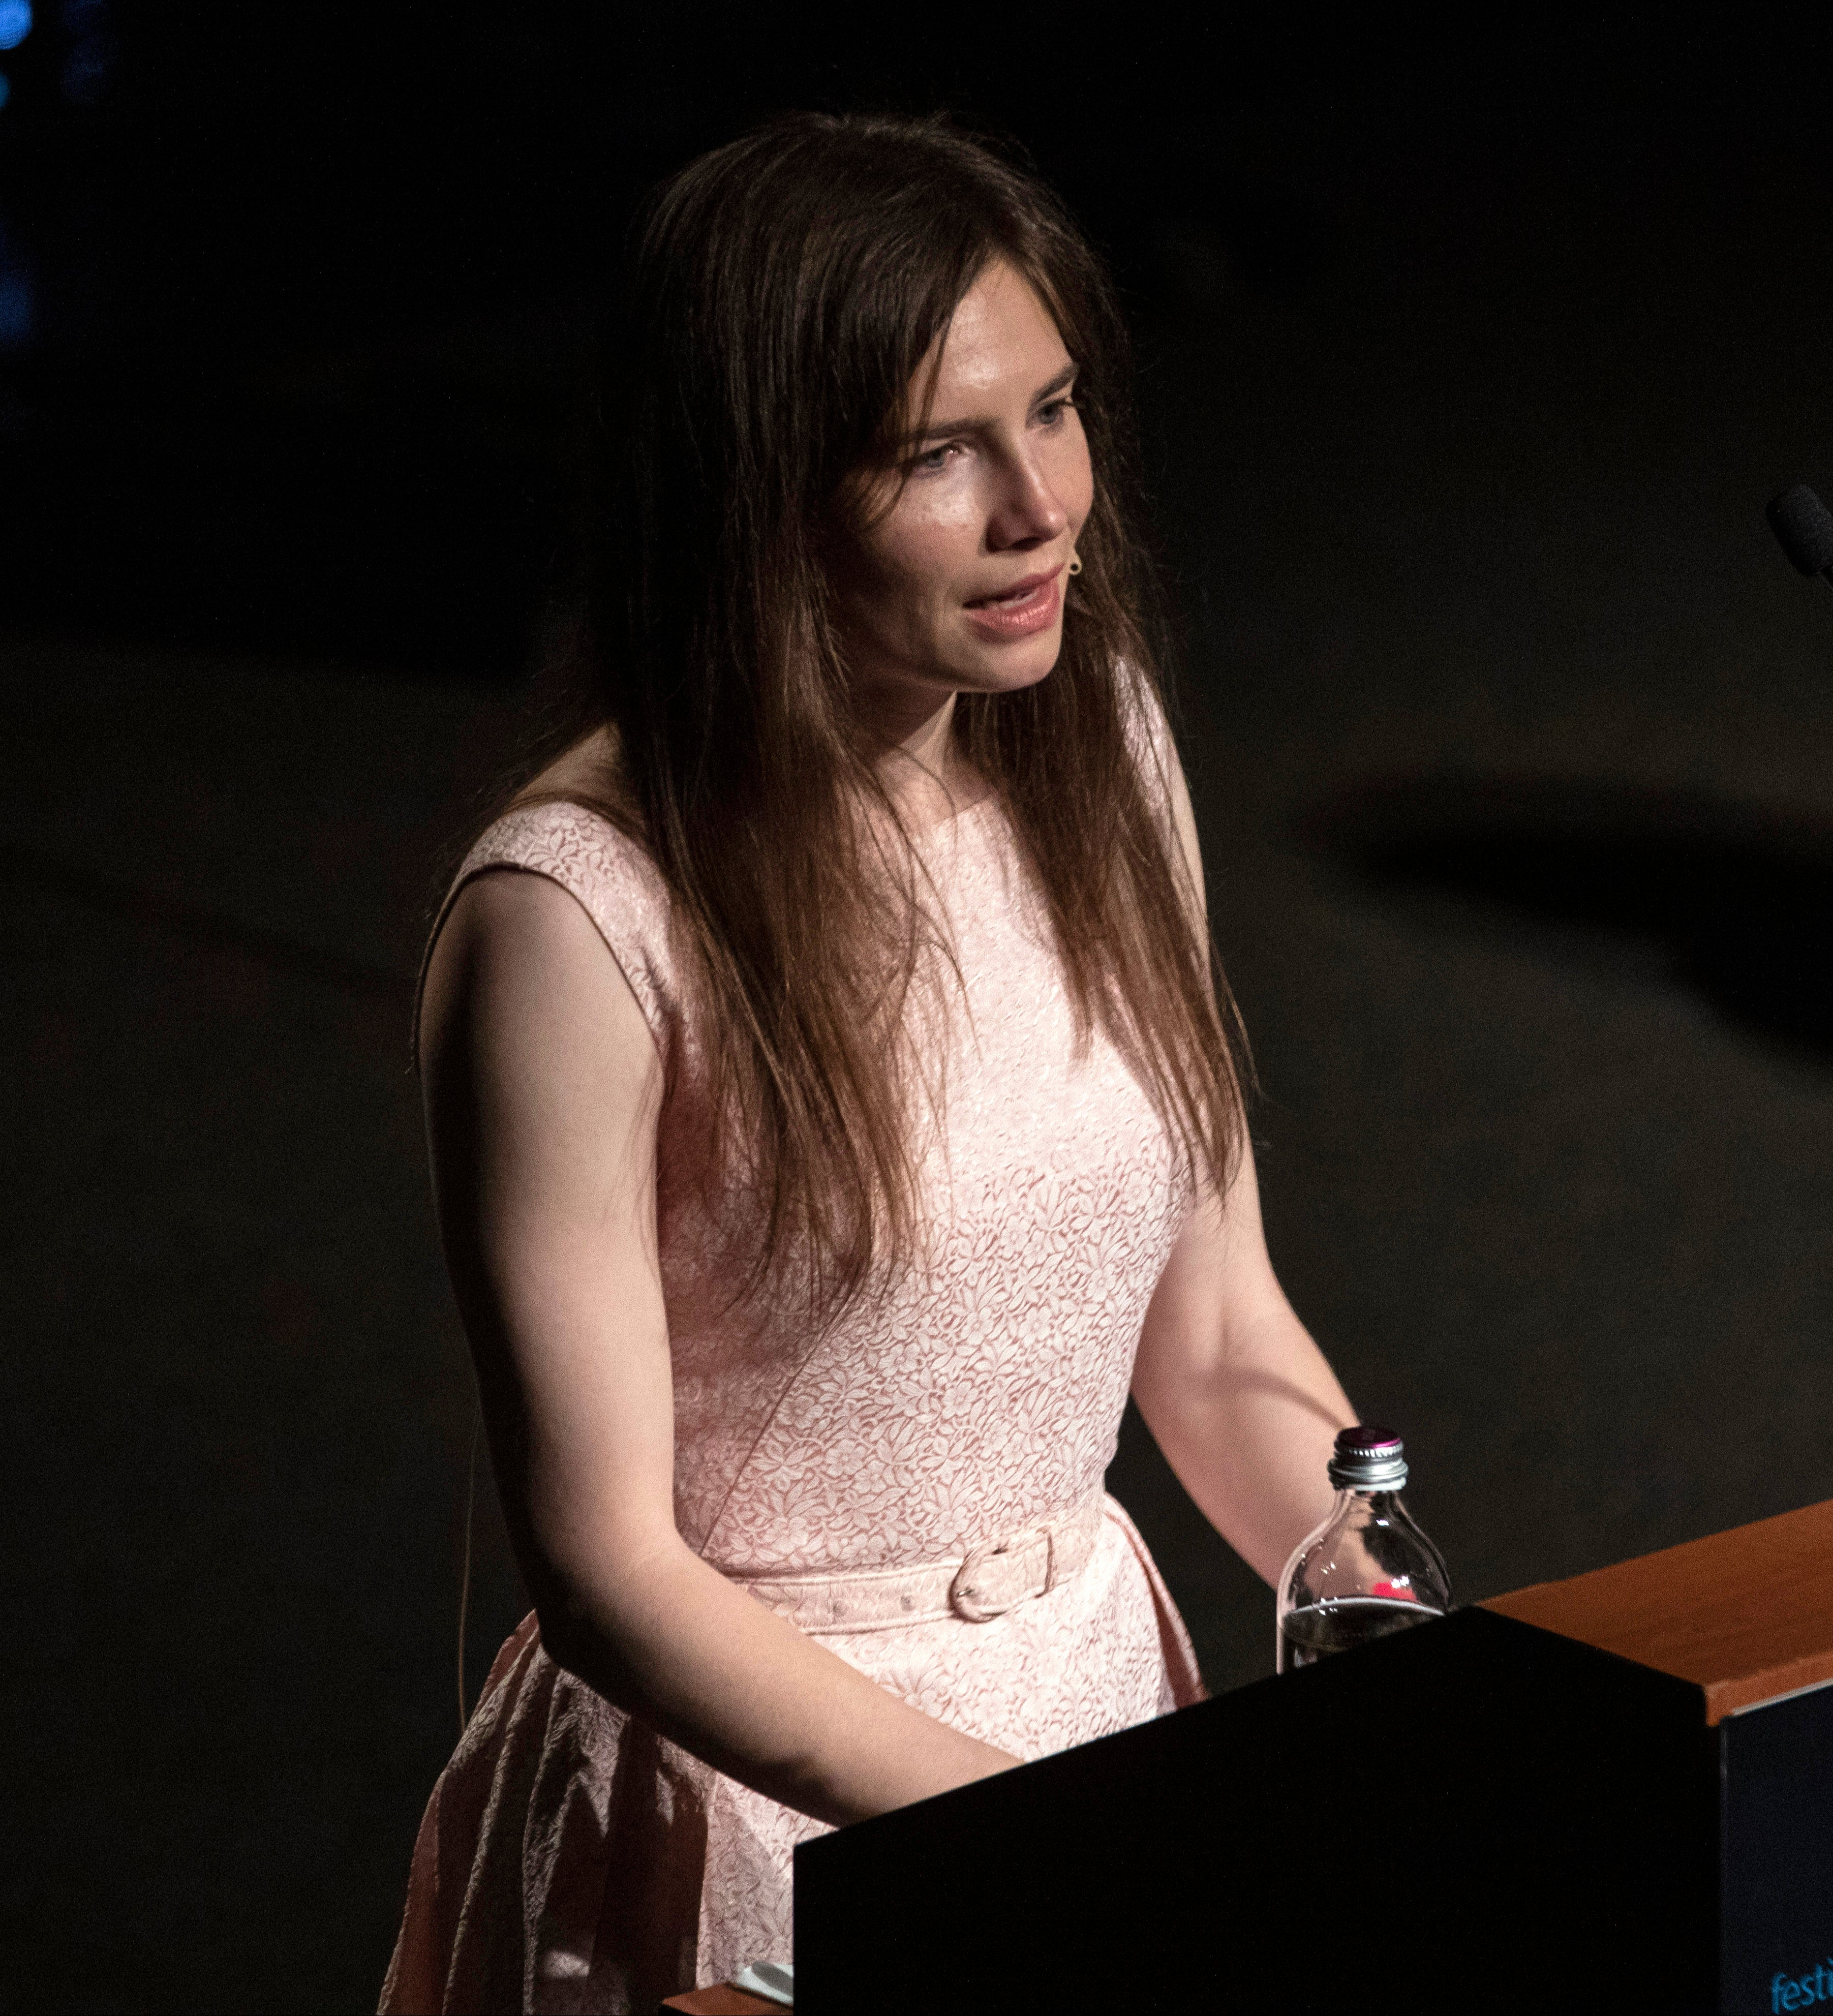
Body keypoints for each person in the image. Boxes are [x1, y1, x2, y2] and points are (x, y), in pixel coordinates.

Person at [381, 112, 1361, 2012]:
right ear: (759, 492)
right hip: (760, 1809)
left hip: (1093, 1710)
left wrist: (1397, 1612)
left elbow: (1224, 1341)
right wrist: (1016, 1842)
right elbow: (606, 1569)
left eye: (1058, 411)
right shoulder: (576, 918)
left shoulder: (1107, 754)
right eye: (938, 455)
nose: (1041, 506)